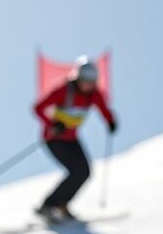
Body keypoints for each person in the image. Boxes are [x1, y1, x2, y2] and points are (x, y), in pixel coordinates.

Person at [32, 56, 117, 223]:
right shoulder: (64, 91)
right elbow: (38, 108)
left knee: (85, 172)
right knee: (76, 171)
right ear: (78, 78)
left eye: (92, 81)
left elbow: (104, 109)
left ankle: (62, 205)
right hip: (53, 139)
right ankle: (48, 206)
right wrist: (53, 123)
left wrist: (111, 121)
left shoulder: (93, 95)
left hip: (71, 139)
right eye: (86, 81)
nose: (89, 85)